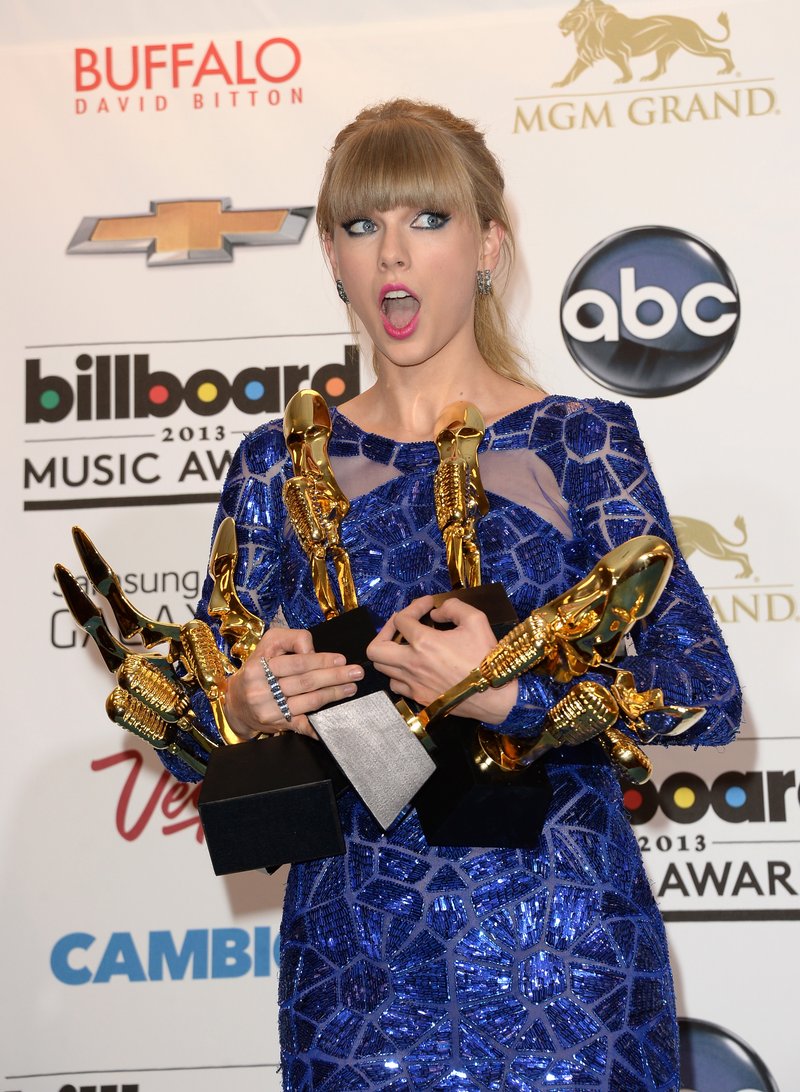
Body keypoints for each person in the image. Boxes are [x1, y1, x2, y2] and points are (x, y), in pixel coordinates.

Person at [166, 100, 741, 1090]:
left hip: (564, 966)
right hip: (354, 972)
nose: (392, 252)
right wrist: (241, 706)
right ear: (333, 259)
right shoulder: (274, 466)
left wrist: (511, 694)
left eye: (426, 220)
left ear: (487, 247)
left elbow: (700, 689)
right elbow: (191, 714)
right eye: (360, 225)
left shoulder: (575, 444)